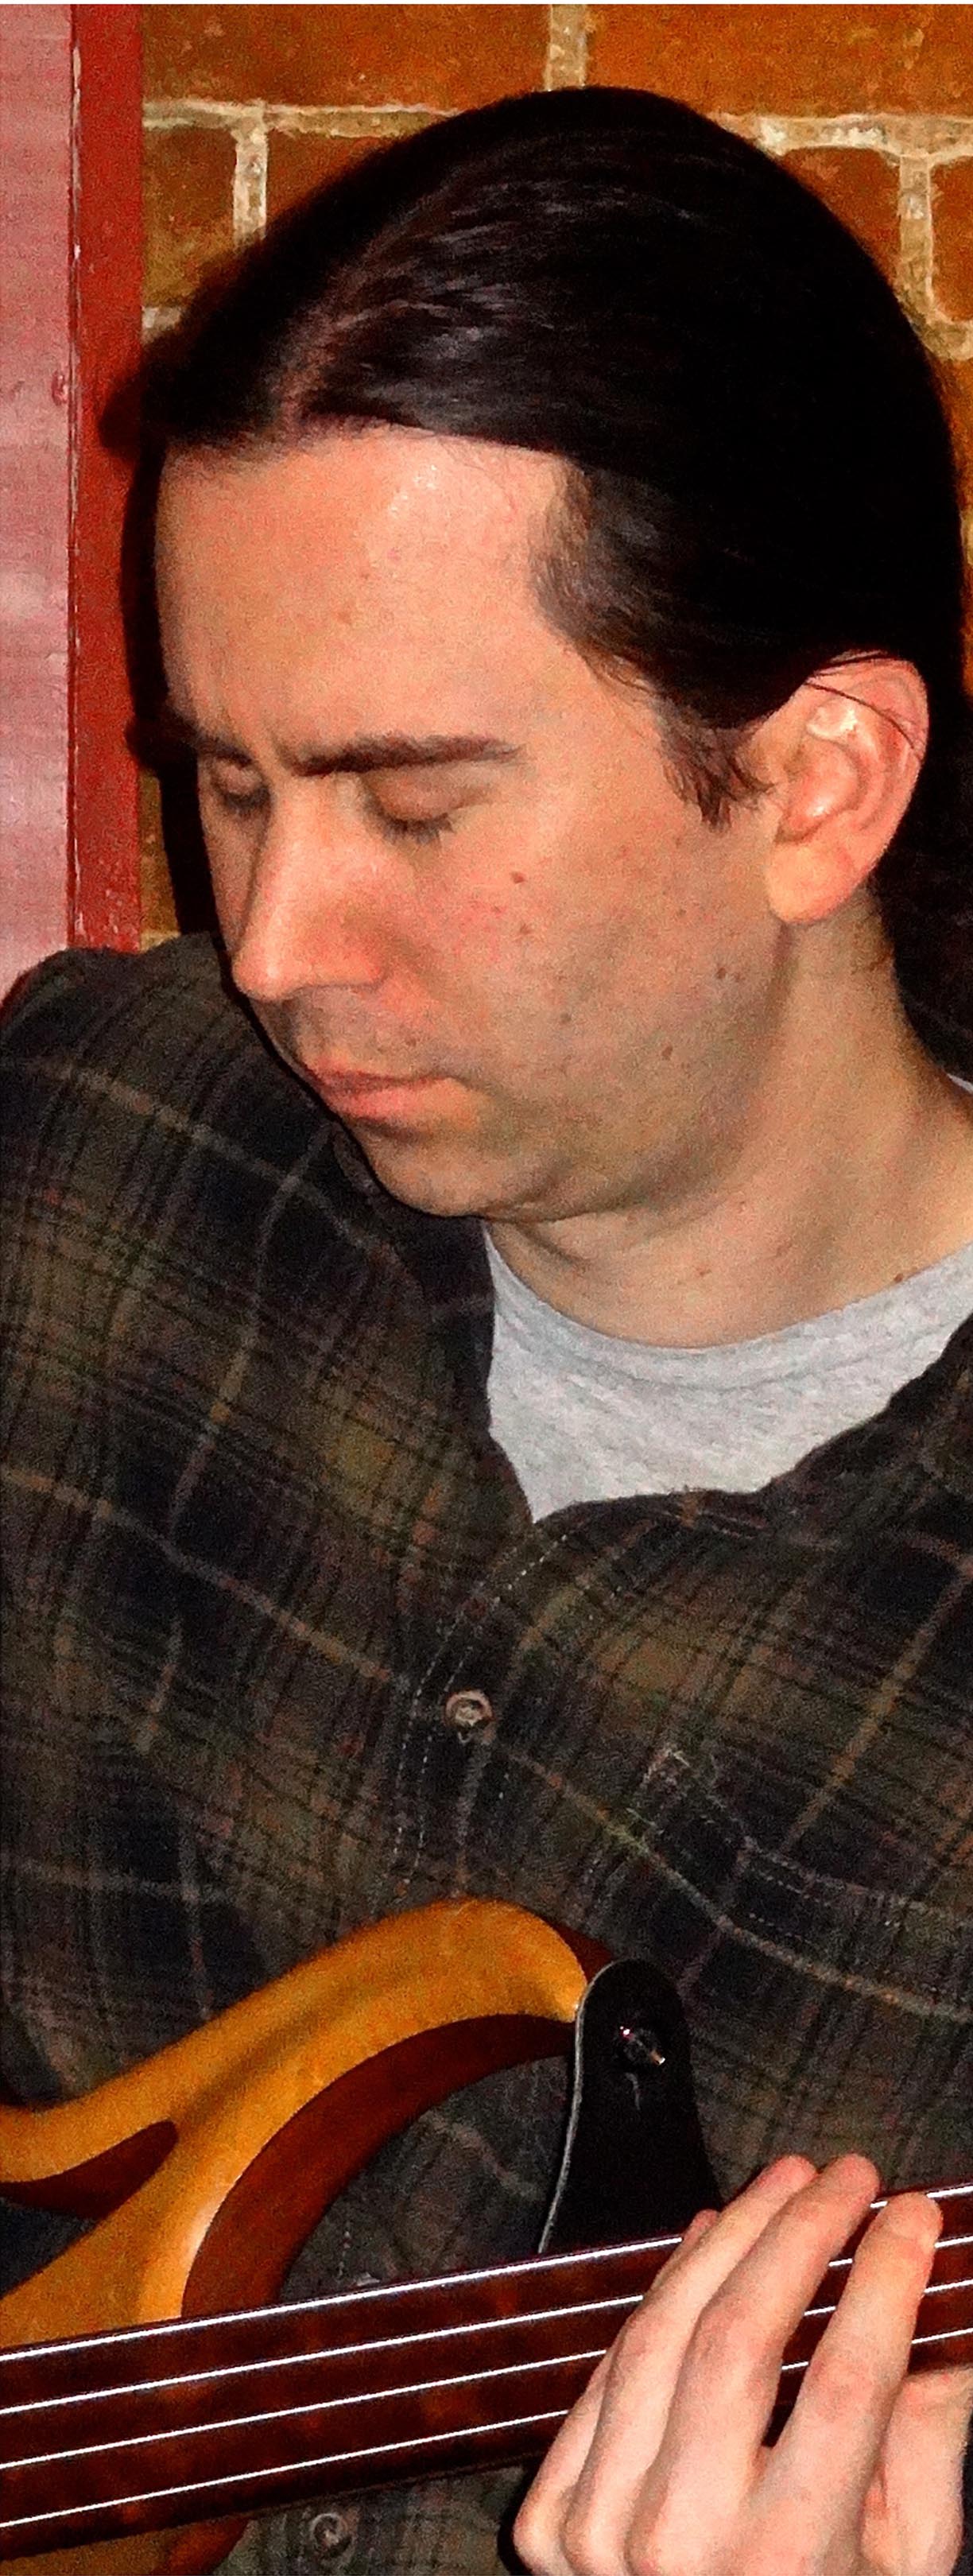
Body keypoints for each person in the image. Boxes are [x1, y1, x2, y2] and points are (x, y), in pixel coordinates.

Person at [2, 81, 971, 2576]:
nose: (274, 941)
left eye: (413, 806)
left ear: (818, 781)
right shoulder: (95, 1160)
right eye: (228, 783)